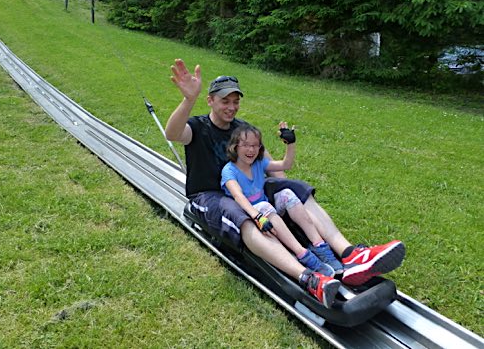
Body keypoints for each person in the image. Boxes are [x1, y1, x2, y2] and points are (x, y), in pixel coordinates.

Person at [164, 59, 404, 304]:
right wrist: (188, 99)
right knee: (241, 215)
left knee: (295, 188)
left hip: (250, 190)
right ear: (210, 101)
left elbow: (270, 166)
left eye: (235, 101)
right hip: (210, 195)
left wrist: (288, 197)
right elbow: (172, 134)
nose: (231, 107)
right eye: (225, 101)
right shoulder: (198, 126)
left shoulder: (243, 130)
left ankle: (350, 254)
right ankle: (307, 278)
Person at [221, 122, 342, 276]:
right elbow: (238, 195)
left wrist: (290, 144)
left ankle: (320, 246)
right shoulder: (229, 171)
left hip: (267, 211)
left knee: (287, 193)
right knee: (264, 205)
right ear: (235, 146)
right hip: (249, 215)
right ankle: (303, 254)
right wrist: (256, 216)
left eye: (255, 145)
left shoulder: (258, 164)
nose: (251, 150)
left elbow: (286, 165)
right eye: (245, 145)